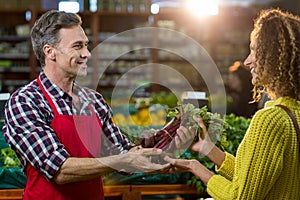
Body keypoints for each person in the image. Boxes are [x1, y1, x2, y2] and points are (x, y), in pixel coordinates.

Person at [2, 10, 169, 200]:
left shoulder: (94, 101)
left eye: (86, 45)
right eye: (77, 46)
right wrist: (126, 158)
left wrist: (161, 143)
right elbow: (59, 170)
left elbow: (122, 154)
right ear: (50, 52)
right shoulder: (26, 101)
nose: (87, 54)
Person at [165, 8, 300, 199]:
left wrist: (193, 166)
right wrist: (209, 150)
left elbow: (240, 197)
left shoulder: (270, 119)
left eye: (254, 51)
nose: (247, 61)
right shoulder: (294, 113)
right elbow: (252, 177)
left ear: (275, 58)